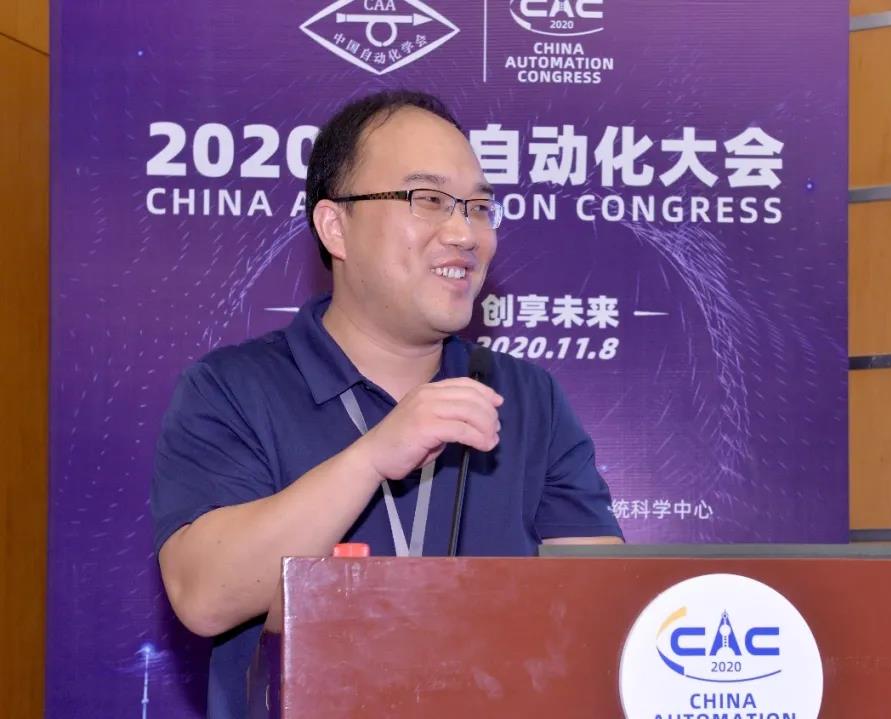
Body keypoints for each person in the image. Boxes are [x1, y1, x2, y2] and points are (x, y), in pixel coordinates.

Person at [151, 89, 623, 718]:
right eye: (428, 200)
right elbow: (204, 595)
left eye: (479, 207)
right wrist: (372, 457)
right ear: (335, 227)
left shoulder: (528, 399)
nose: (464, 233)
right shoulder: (232, 389)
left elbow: (603, 608)